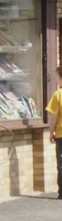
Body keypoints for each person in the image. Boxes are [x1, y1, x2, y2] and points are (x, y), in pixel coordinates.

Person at [45, 65, 62, 199]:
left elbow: (54, 117)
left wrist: (51, 133)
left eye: (56, 78)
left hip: (61, 134)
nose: (56, 81)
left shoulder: (58, 95)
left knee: (61, 164)